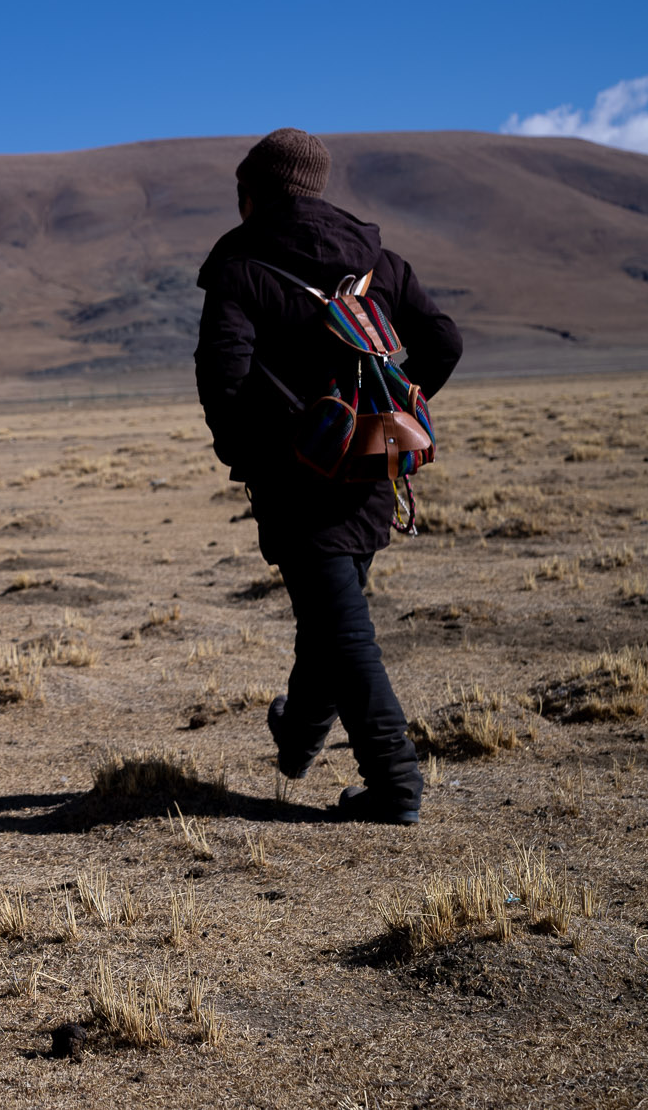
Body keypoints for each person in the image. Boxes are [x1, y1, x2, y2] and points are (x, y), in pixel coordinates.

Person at [193, 129, 462, 824]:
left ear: (254, 192)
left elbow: (223, 379)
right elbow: (443, 341)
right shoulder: (376, 260)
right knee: (332, 620)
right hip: (375, 464)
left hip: (296, 474)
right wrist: (396, 409)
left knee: (342, 631)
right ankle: (300, 732)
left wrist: (248, 456)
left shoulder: (240, 264)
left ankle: (395, 782)